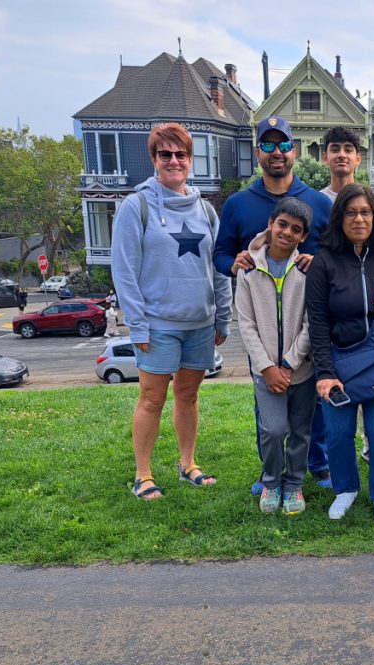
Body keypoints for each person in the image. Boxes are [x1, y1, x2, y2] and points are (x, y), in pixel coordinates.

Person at [111, 122, 231, 500]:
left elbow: (220, 267)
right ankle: (142, 474)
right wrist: (138, 326)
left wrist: (222, 315)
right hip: (158, 326)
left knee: (189, 396)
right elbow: (124, 271)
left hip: (200, 323)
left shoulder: (207, 211)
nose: (174, 161)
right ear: (154, 159)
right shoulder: (137, 207)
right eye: (166, 155)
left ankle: (187, 464)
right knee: (151, 399)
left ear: (191, 160)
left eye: (181, 154)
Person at [214, 116, 333, 493]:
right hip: (262, 329)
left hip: (305, 329)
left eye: (283, 145)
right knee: (268, 412)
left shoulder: (316, 202)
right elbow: (219, 255)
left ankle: (315, 467)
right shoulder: (237, 204)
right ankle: (270, 474)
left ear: (294, 152)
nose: (276, 152)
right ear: (257, 152)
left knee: (308, 410)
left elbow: (336, 255)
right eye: (268, 145)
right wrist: (232, 263)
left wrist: (321, 262)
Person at [306, 184, 374, 527]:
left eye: (365, 212)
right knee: (338, 434)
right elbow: (318, 321)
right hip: (337, 364)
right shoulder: (324, 263)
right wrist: (324, 372)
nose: (358, 219)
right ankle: (346, 489)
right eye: (351, 212)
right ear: (339, 218)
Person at [235, 198, 316, 516]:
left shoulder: (307, 270)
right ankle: (272, 482)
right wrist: (268, 367)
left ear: (303, 236)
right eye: (282, 224)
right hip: (265, 372)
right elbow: (246, 322)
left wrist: (290, 363)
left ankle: (294, 484)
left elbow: (311, 323)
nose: (287, 232)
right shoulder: (248, 269)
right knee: (272, 430)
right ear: (270, 223)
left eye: (296, 230)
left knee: (300, 431)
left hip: (301, 371)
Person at [319, 125, 374, 465]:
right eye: (335, 148)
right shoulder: (315, 201)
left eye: (348, 148)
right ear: (325, 157)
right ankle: (324, 459)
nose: (342, 154)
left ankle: (368, 441)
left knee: (373, 390)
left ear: (358, 157)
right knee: (331, 393)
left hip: (373, 322)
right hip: (332, 311)